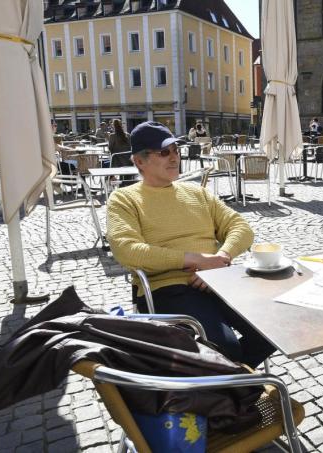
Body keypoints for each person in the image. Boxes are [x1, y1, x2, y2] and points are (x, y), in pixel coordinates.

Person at [106, 121, 275, 368]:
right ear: (139, 161)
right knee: (224, 347)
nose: (174, 158)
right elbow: (127, 250)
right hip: (168, 287)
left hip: (218, 279)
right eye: (164, 152)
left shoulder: (198, 193)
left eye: (176, 150)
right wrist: (196, 260)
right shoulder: (124, 198)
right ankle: (237, 394)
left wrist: (222, 257)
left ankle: (232, 389)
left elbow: (241, 228)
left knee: (275, 328)